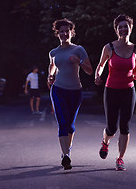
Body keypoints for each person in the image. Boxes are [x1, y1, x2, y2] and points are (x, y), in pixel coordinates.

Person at [94, 14, 136, 171]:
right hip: (111, 90)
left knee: (125, 126)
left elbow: (134, 73)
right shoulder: (109, 47)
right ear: (116, 30)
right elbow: (101, 65)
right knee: (111, 128)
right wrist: (97, 75)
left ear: (131, 28)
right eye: (120, 27)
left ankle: (120, 159)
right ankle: (105, 142)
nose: (123, 29)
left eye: (126, 26)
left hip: (128, 91)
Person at [47, 18, 93, 170]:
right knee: (62, 122)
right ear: (57, 34)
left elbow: (89, 70)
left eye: (67, 31)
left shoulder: (79, 50)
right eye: (61, 31)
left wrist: (78, 61)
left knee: (70, 125)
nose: (64, 34)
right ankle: (66, 156)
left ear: (71, 33)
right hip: (58, 90)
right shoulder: (53, 52)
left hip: (75, 91)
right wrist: (50, 76)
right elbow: (52, 66)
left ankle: (67, 151)